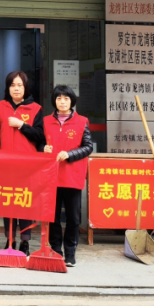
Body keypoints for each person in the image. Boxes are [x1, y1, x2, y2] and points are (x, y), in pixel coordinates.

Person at [0, 70, 45, 254]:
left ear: (25, 88)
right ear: (8, 88)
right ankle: (10, 240)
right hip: (5, 164)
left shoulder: (36, 109)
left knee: (24, 202)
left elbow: (40, 136)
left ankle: (25, 242)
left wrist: (22, 125)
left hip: (27, 166)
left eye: (20, 85)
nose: (16, 89)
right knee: (8, 202)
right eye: (12, 85)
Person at [42, 84, 92, 267]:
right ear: (54, 101)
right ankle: (56, 250)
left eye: (66, 98)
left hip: (72, 176)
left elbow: (88, 147)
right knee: (53, 217)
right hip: (51, 176)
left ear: (72, 101)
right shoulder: (46, 121)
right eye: (58, 98)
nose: (62, 102)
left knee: (73, 218)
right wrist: (43, 148)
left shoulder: (82, 121)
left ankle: (70, 253)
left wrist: (70, 154)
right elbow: (38, 142)